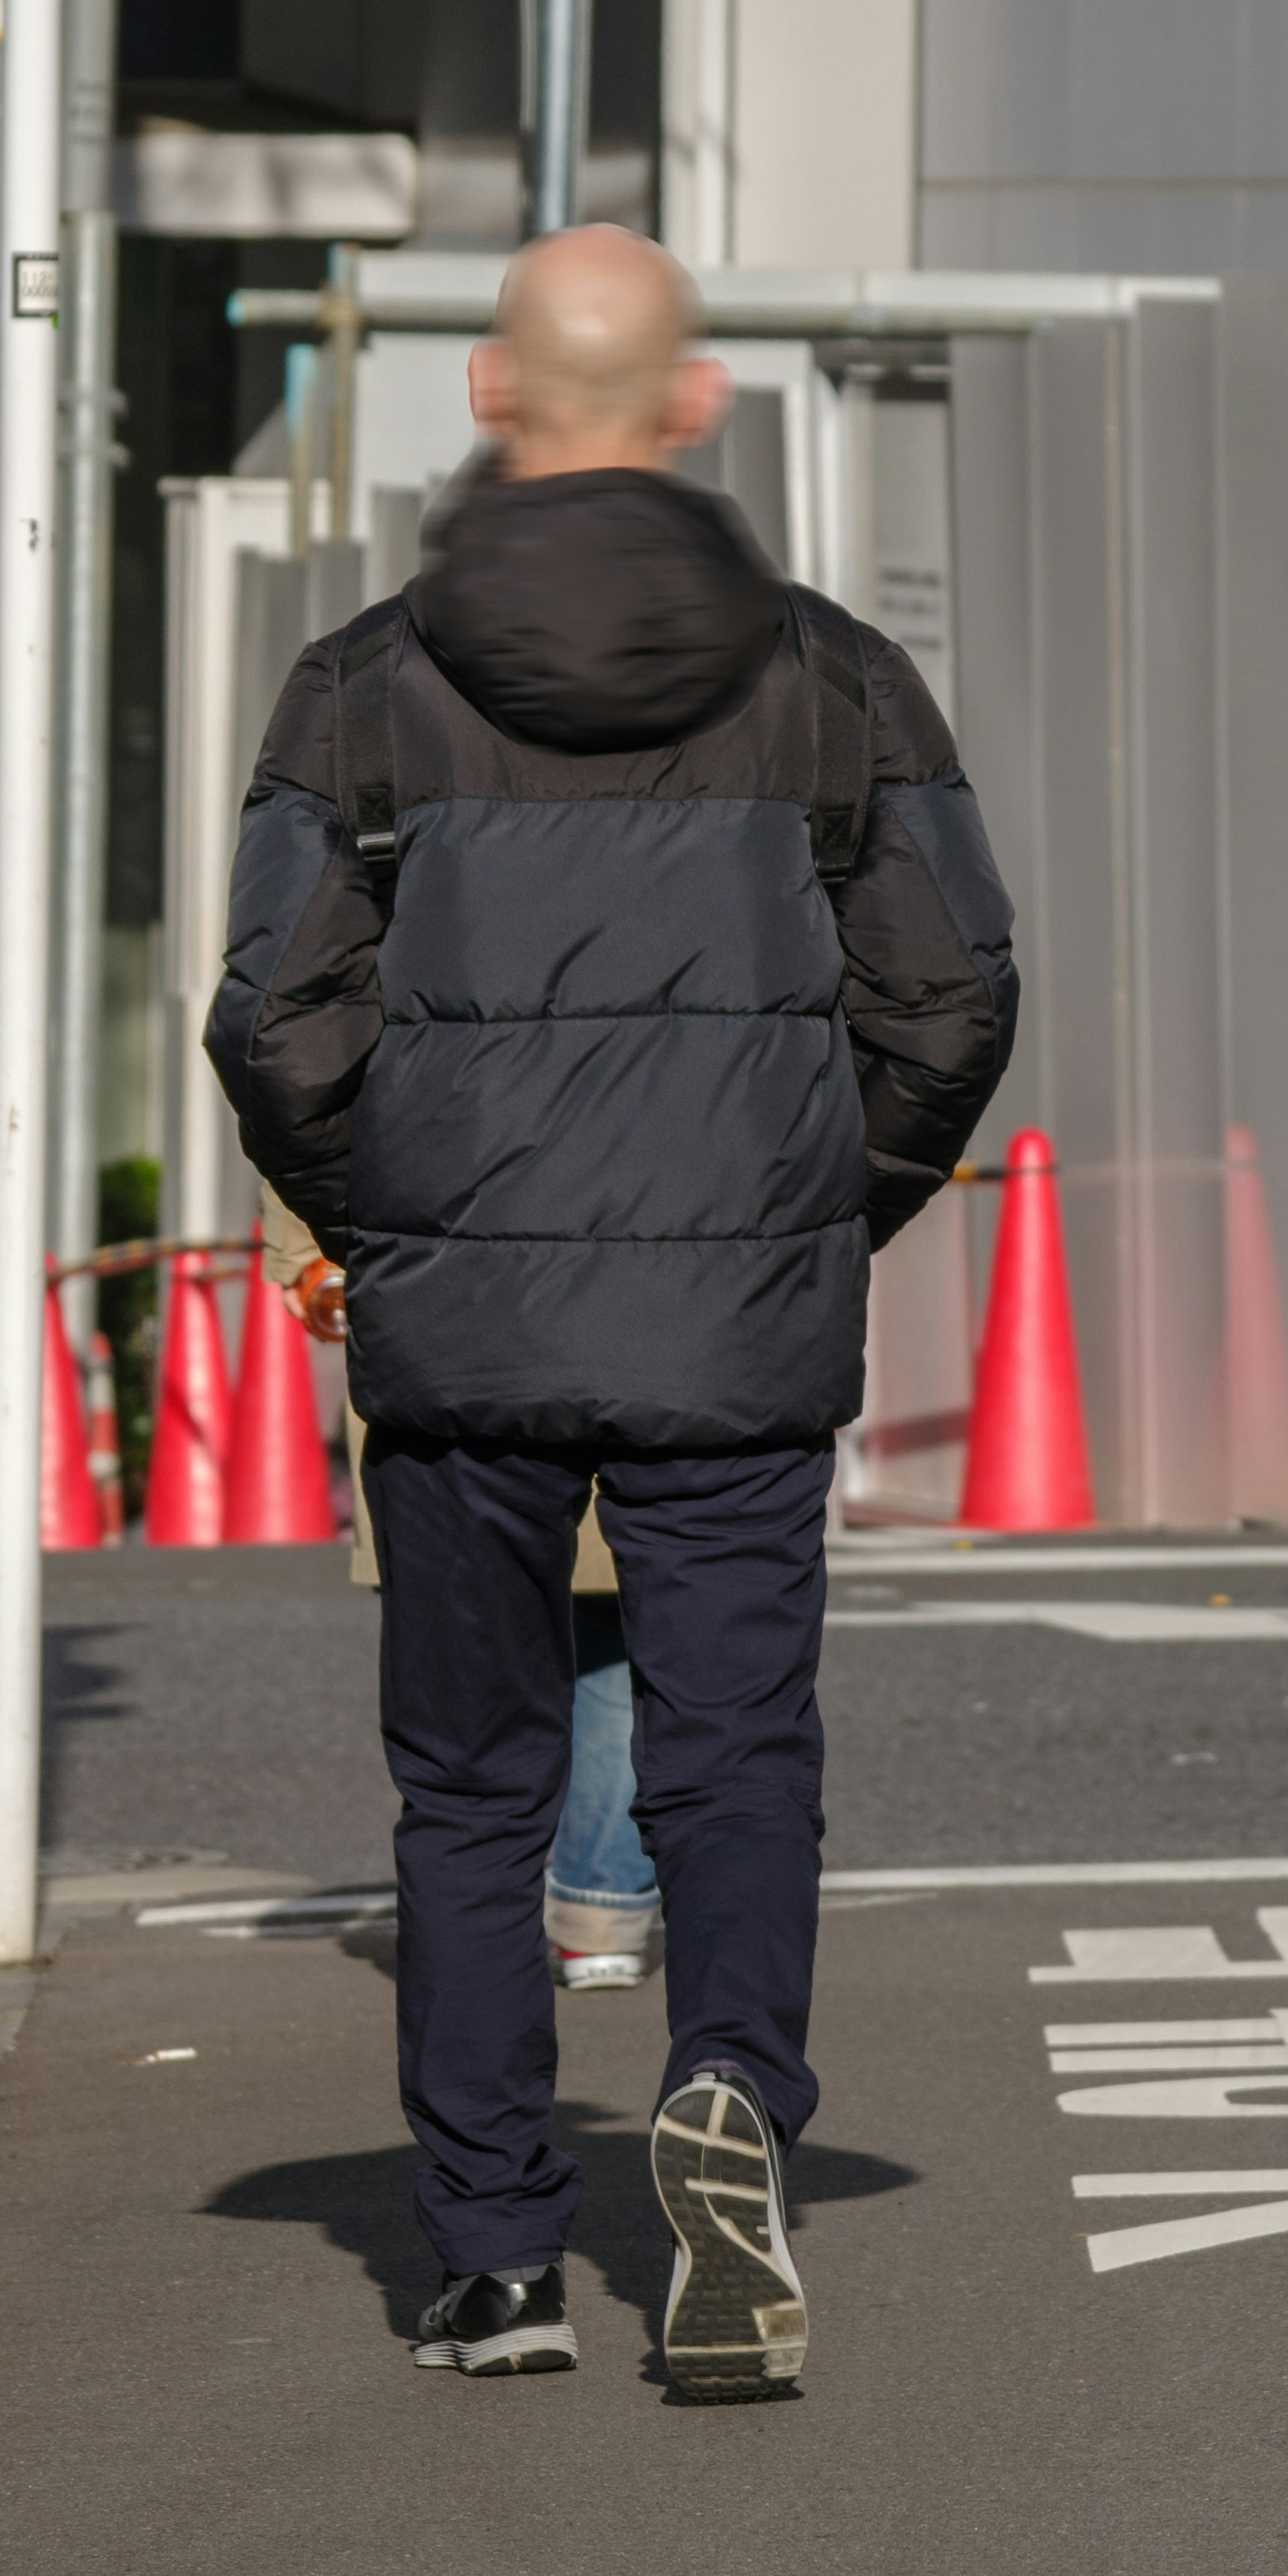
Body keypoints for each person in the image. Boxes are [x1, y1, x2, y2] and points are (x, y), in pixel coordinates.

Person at [208, 227, 1016, 2399]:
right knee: (737, 1761)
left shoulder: (362, 684)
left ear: (489, 397)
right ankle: (732, 2096)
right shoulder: (836, 679)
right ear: (694, 410)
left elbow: (271, 1018)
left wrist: (383, 1217)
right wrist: (806, 1208)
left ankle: (485, 2260)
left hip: (459, 1330)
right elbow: (953, 992)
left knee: (471, 1794)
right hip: (734, 1331)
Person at [260, 1181, 663, 1985]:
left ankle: (476, 1922)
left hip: (435, 1312)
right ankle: (600, 1910)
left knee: (461, 1659)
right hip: (621, 1301)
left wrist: (309, 1257)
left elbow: (289, 1070)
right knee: (612, 1640)